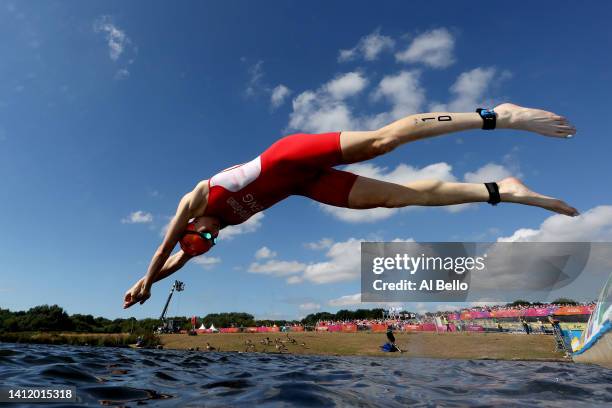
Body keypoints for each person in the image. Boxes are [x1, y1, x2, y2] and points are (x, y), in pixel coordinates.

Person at [123, 103, 577, 308]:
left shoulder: (195, 199)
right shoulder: (211, 227)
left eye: (202, 233)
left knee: (382, 141)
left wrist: (145, 280)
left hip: (289, 156)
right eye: (210, 241)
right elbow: (180, 259)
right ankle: (502, 189)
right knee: (394, 198)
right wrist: (154, 284)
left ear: (190, 224)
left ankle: (496, 116)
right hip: (304, 186)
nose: (211, 234)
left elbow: (166, 251)